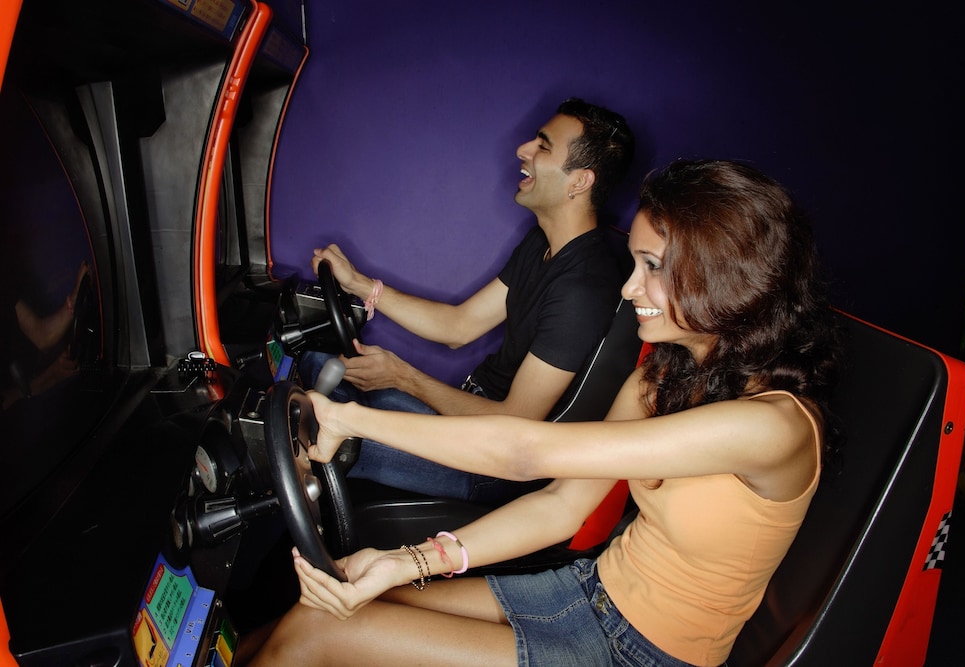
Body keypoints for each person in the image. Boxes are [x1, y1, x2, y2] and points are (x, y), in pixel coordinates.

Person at [247, 159, 843, 667]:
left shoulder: (773, 427)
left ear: (726, 278)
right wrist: (406, 563)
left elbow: (525, 451)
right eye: (635, 264)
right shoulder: (660, 380)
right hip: (588, 590)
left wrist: (348, 418)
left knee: (314, 634)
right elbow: (562, 504)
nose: (629, 288)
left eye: (653, 267)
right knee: (329, 600)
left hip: (644, 653)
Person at [300, 97, 635, 504]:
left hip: (489, 463)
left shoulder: (583, 288)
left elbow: (516, 424)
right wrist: (357, 283)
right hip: (469, 418)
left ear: (579, 182)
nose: (522, 149)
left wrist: (403, 377)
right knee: (314, 366)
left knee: (304, 430)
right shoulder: (544, 244)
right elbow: (459, 327)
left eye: (543, 146)